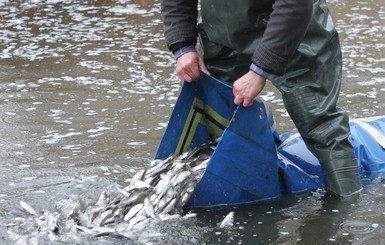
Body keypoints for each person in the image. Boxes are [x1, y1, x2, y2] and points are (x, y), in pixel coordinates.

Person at [160, 0, 362, 196]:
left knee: (321, 125)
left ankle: (346, 211)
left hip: (296, 29)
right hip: (222, 35)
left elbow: (295, 4)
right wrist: (183, 45)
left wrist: (260, 70)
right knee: (218, 131)